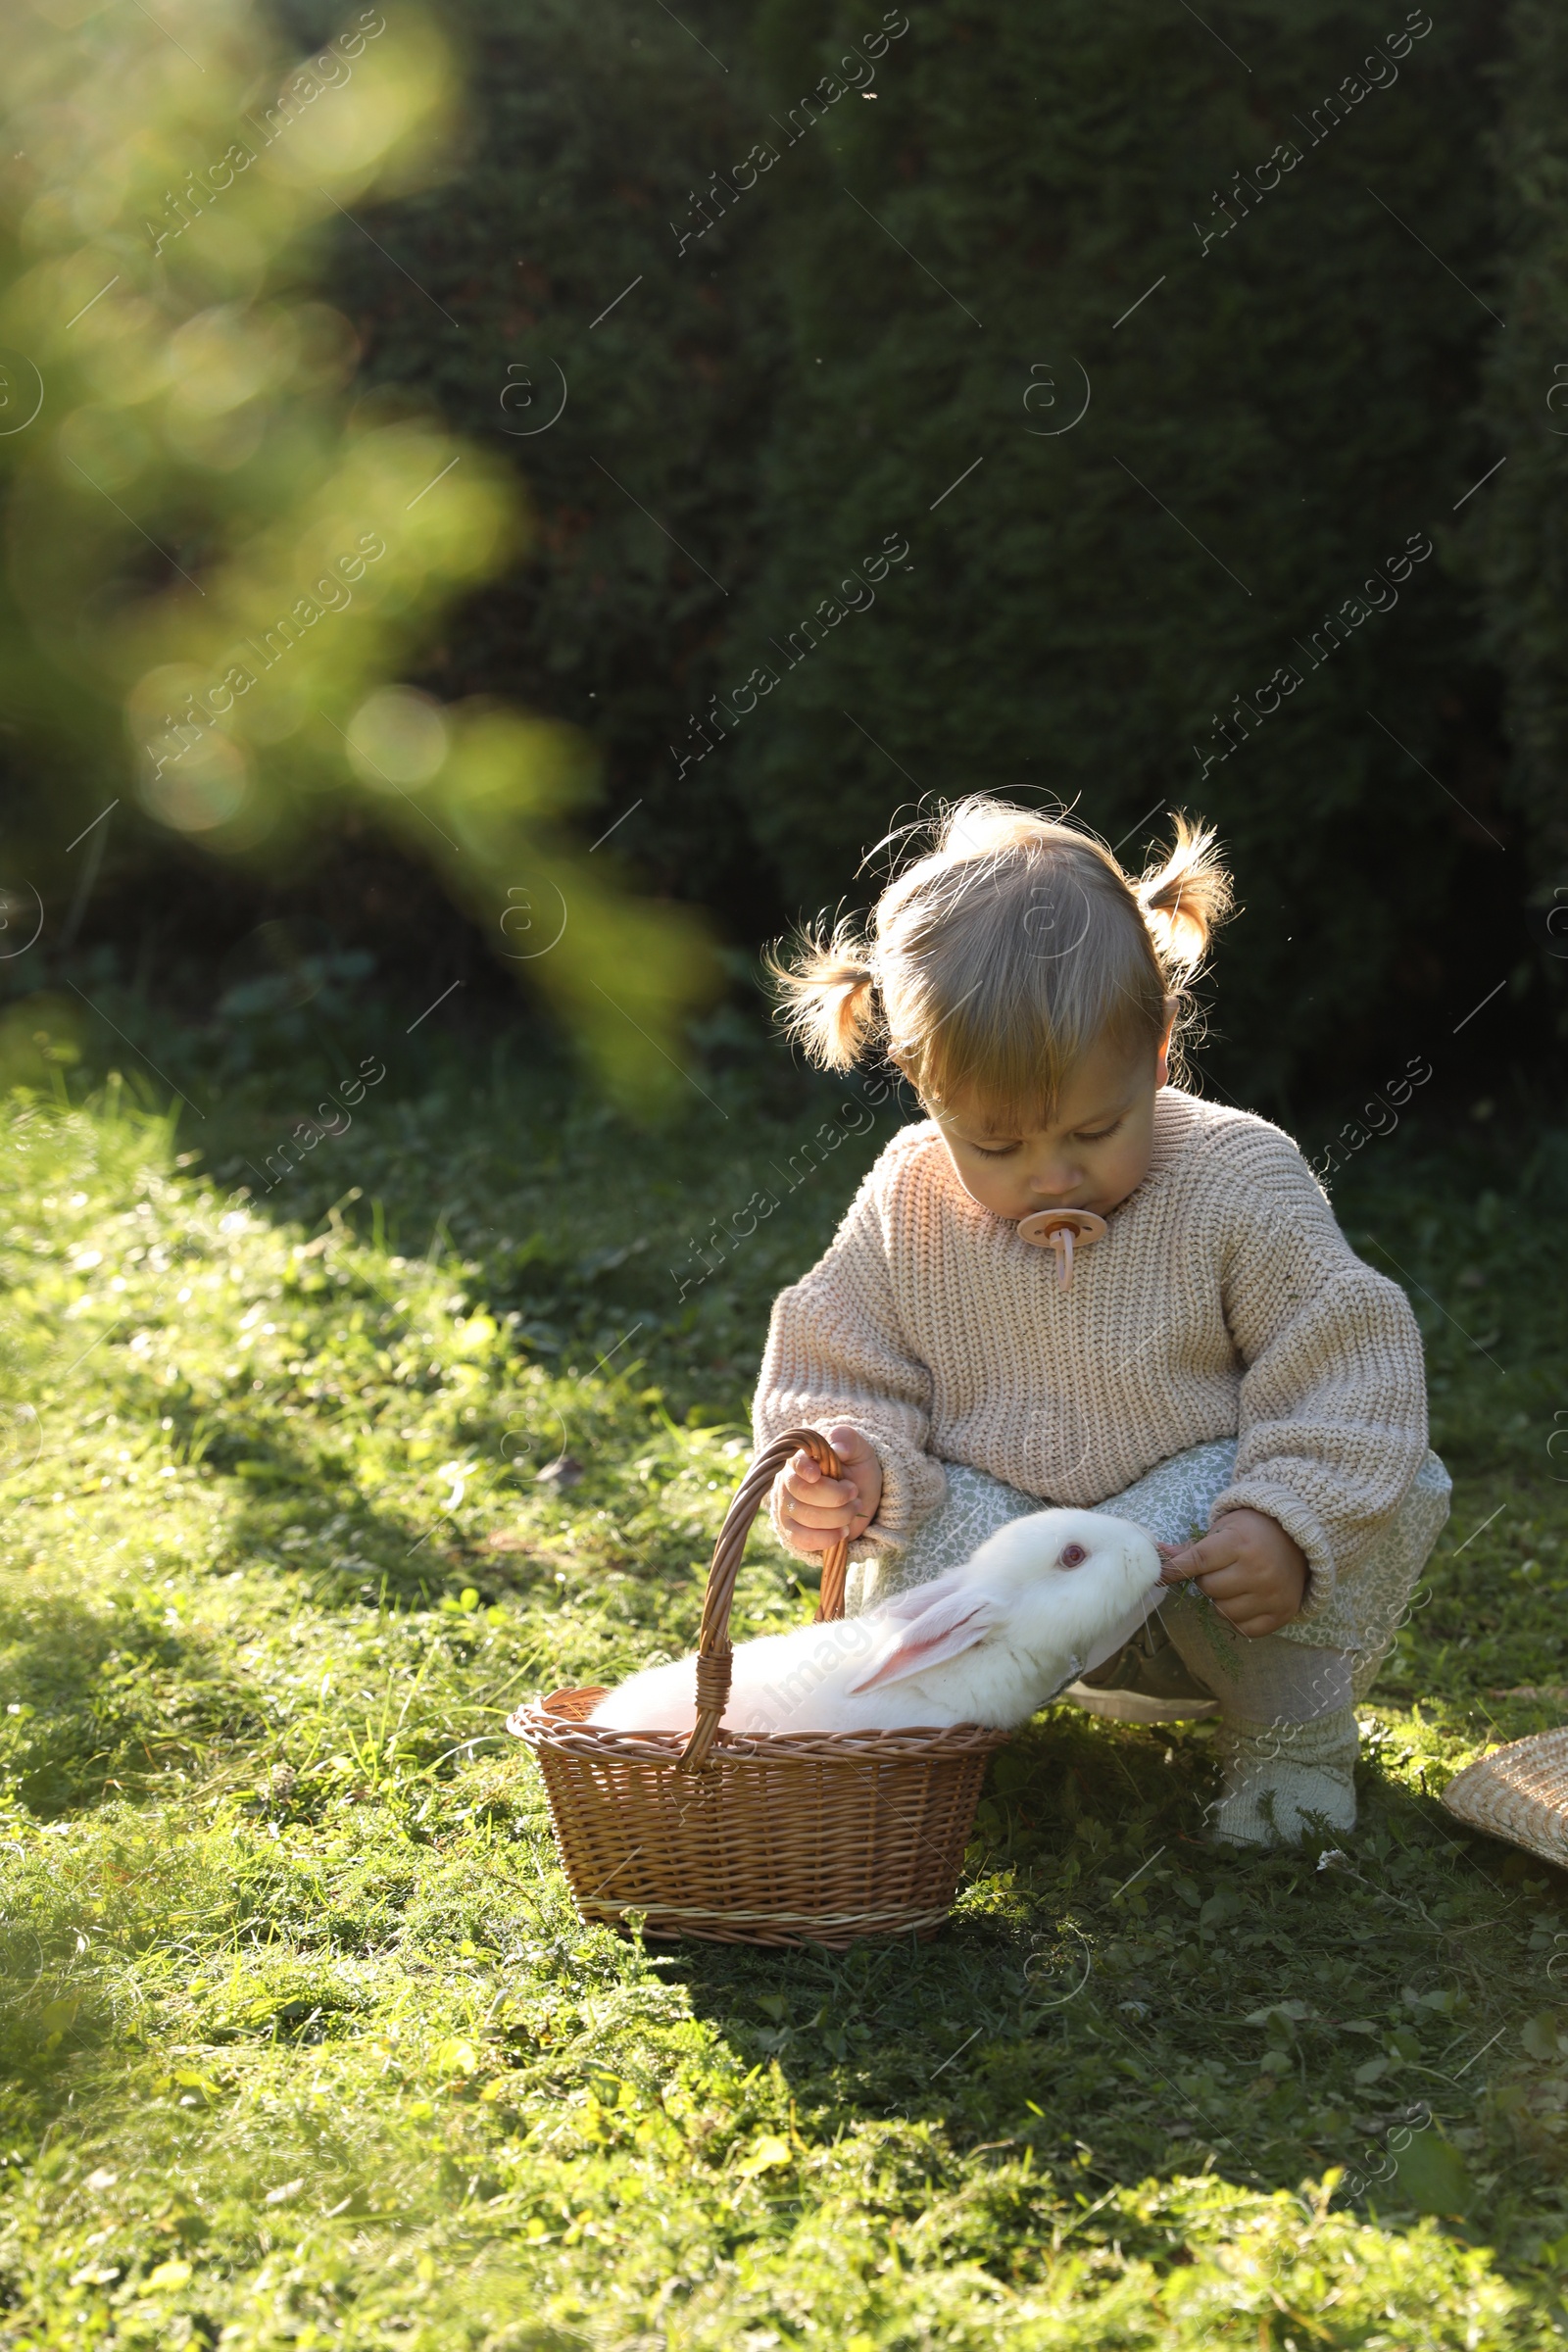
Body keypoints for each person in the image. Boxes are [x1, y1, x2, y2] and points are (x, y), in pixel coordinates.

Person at [753, 798, 1449, 1846]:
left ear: (1159, 1046)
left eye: (1093, 1127)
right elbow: (838, 1358)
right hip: (1018, 1566)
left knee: (1246, 1489)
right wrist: (849, 1459)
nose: (1050, 1173)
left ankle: (1288, 1748)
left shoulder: (1233, 1177)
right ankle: (919, 1740)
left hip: (1208, 1579)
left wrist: (1282, 1518)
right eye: (995, 1145)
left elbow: (1343, 1371)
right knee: (923, 1552)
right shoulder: (908, 1196)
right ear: (917, 1083)